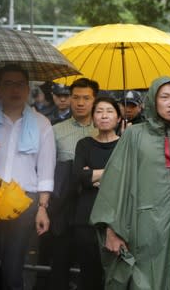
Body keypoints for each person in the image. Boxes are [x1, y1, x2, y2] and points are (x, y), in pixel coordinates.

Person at [90, 76, 170, 289]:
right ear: (153, 101)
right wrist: (111, 230)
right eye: (165, 97)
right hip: (143, 230)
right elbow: (114, 183)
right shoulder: (134, 135)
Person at [0, 64, 56, 289]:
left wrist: (43, 207)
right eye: (8, 83)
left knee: (14, 264)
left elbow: (46, 169)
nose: (14, 90)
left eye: (20, 84)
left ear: (28, 89)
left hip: (24, 201)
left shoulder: (41, 123)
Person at [44, 77, 98, 290]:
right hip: (63, 206)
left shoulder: (104, 128)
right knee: (60, 261)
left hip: (92, 205)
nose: (80, 102)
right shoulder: (55, 131)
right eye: (76, 97)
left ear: (94, 100)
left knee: (91, 265)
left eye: (86, 98)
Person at [73, 97, 121, 289]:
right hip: (86, 216)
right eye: (99, 111)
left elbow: (127, 179)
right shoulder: (84, 144)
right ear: (93, 117)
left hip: (116, 217)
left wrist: (94, 174)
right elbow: (79, 176)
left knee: (115, 275)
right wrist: (111, 174)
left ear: (118, 118)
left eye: (109, 111)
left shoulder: (125, 145)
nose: (104, 116)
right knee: (88, 274)